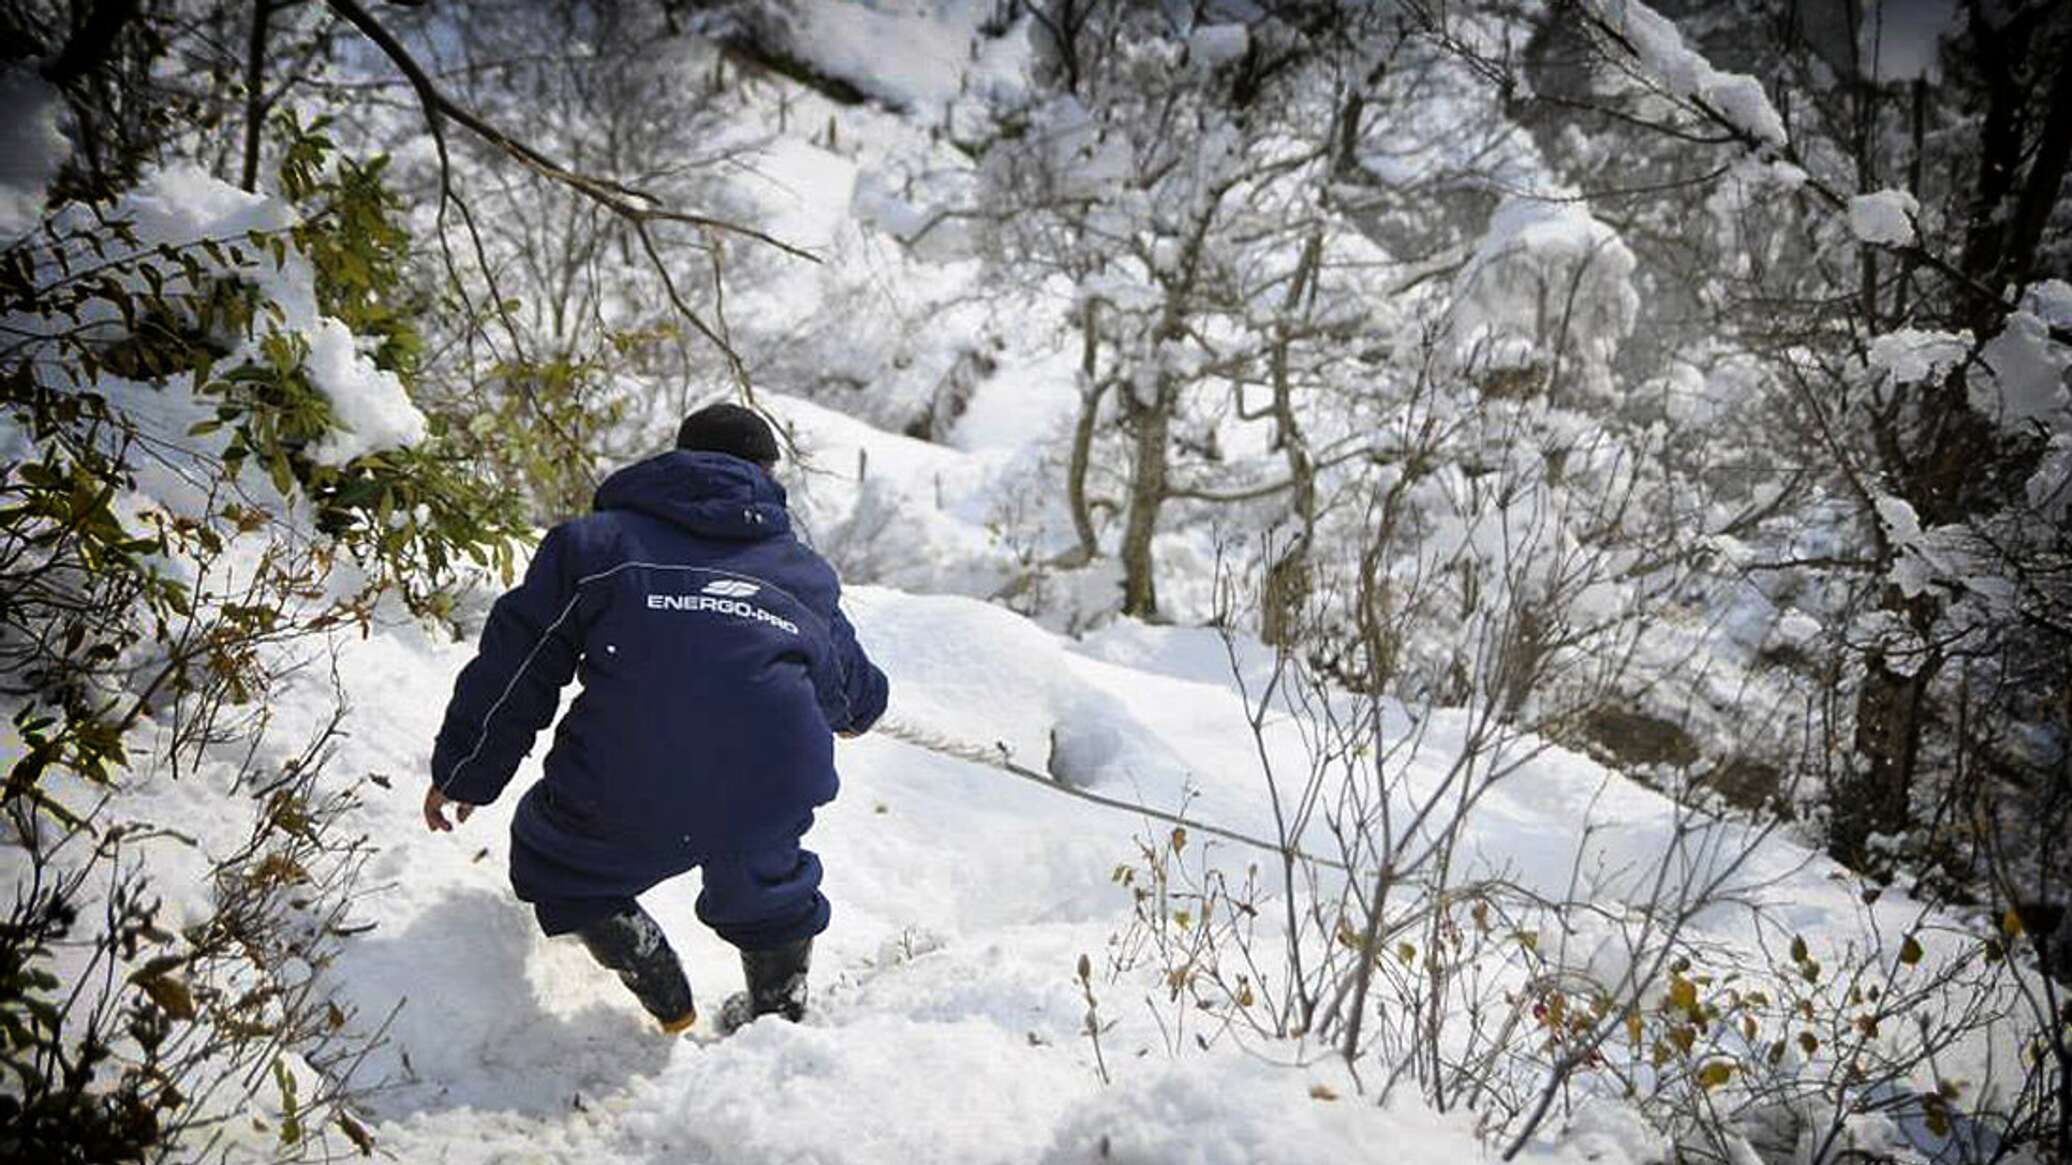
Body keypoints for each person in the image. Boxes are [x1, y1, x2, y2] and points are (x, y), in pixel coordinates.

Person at [423, 403, 889, 1035]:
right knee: (767, 878)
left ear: (679, 458)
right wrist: (857, 713)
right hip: (767, 780)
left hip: (631, 772)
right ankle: (777, 1019)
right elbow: (850, 693)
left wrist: (468, 770)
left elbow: (522, 662)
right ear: (766, 475)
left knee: (557, 863)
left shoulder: (597, 543)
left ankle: (665, 993)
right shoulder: (801, 573)